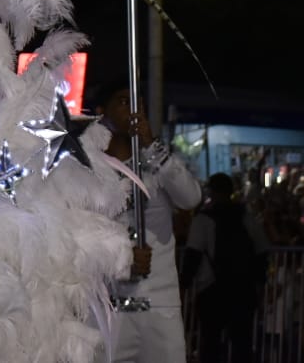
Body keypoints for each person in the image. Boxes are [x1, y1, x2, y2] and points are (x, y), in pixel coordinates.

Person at [81, 78, 204, 363]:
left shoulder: (157, 165)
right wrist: (121, 261)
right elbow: (78, 238)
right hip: (108, 312)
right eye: (124, 102)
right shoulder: (85, 173)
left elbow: (191, 198)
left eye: (139, 105)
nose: (133, 111)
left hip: (159, 309)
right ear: (102, 112)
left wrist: (151, 145)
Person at [183, 173, 268, 363]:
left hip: (211, 289)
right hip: (243, 289)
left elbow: (193, 255)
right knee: (241, 344)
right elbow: (262, 251)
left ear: (210, 191)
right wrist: (259, 283)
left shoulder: (203, 220)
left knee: (210, 344)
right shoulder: (246, 217)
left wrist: (184, 284)